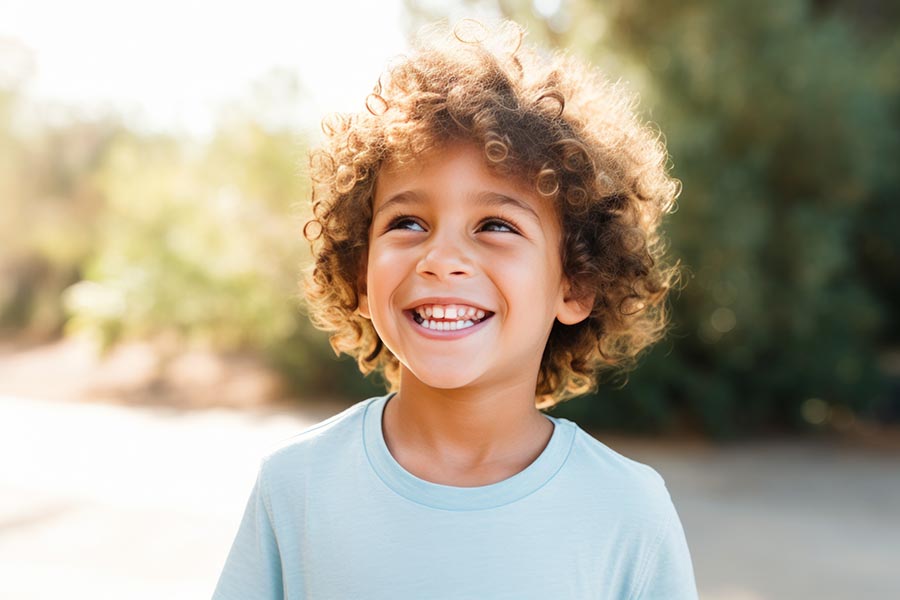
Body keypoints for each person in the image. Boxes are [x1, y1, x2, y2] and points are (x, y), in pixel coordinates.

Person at [212, 19, 697, 600]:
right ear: (361, 273)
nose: (442, 259)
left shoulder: (628, 512)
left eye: (495, 225)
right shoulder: (296, 486)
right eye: (407, 223)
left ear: (576, 284)